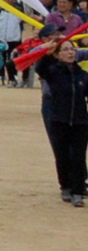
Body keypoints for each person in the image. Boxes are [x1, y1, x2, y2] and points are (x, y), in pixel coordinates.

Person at [38, 37, 86, 205]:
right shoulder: (53, 73)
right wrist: (46, 54)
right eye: (65, 49)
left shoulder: (82, 74)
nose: (70, 52)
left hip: (80, 121)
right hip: (59, 120)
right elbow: (40, 69)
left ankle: (78, 192)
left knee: (79, 157)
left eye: (72, 49)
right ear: (57, 54)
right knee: (62, 156)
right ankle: (65, 186)